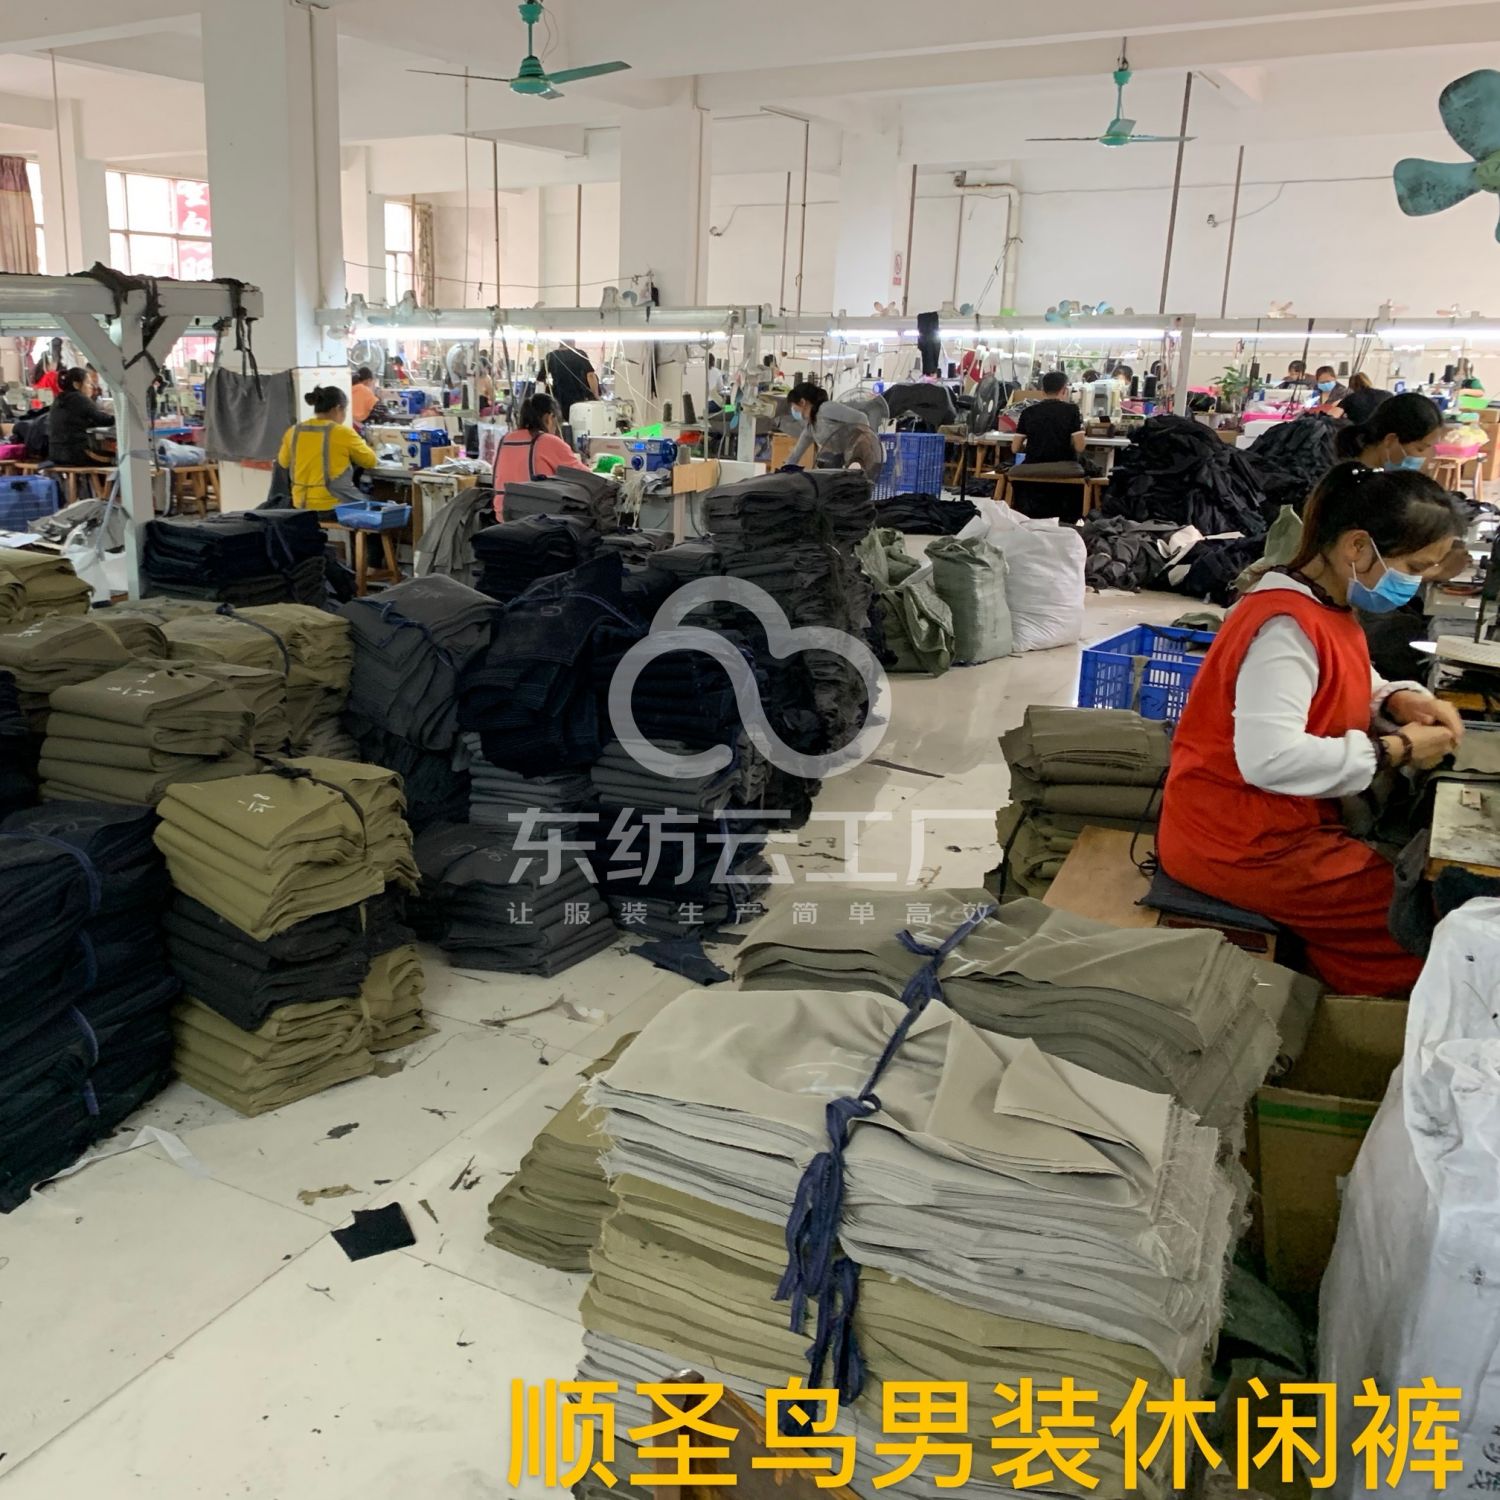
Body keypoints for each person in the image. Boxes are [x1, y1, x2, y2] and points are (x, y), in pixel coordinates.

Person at [1158, 462, 1465, 996]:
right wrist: (1396, 749)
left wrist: (1396, 697)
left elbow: (1341, 675)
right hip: (1242, 844)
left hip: (1273, 827)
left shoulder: (1323, 605)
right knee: (1422, 921)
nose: (1415, 583)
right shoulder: (1285, 626)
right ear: (1357, 547)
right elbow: (1270, 760)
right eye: (1413, 567)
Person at [274, 386, 378, 512]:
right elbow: (370, 461)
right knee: (377, 504)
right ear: (338, 408)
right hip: (333, 504)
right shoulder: (342, 433)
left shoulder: (293, 432)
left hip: (300, 504)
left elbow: (283, 462)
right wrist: (367, 445)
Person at [492, 391, 588, 521]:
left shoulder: (505, 440)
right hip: (536, 518)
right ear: (549, 417)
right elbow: (585, 476)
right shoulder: (549, 441)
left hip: (504, 515)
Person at [785, 380, 884, 478]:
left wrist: (861, 442)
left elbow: (861, 418)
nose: (793, 410)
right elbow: (796, 453)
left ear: (802, 402)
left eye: (793, 406)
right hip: (848, 460)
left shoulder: (826, 409)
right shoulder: (811, 427)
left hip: (863, 457)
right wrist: (785, 471)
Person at [1335, 391, 1441, 471]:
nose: (1425, 459)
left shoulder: (1374, 477)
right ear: (1390, 440)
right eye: (1420, 449)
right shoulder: (1355, 486)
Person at [47, 367, 116, 467]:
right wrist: (118, 417)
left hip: (55, 455)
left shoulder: (58, 399)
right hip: (75, 455)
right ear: (76, 384)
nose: (92, 387)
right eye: (88, 383)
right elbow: (104, 420)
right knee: (116, 459)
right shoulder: (80, 398)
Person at [1014, 371, 1086, 465]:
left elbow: (1015, 448)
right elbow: (1080, 448)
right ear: (1064, 390)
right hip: (1064, 467)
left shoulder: (1028, 412)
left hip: (1033, 467)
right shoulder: (1072, 410)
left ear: (1043, 391)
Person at [545, 338, 600, 430]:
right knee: (579, 428)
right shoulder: (580, 354)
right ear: (573, 341)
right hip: (578, 400)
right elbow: (590, 375)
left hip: (558, 400)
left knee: (561, 429)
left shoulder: (551, 356)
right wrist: (596, 395)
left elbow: (542, 380)